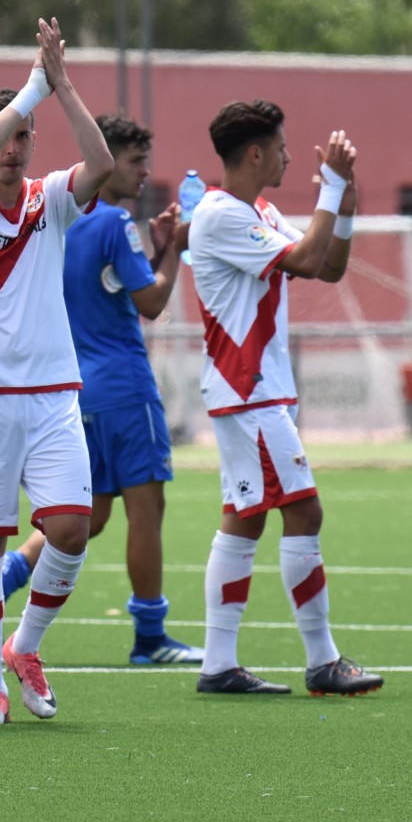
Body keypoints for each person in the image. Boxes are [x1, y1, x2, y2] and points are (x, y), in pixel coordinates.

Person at [0, 19, 113, 725]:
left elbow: (97, 165)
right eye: (3, 135)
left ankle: (24, 648)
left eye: (23, 137)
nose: (12, 148)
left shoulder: (50, 200)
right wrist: (28, 91)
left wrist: (60, 87)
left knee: (72, 526)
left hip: (50, 395)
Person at [187, 101, 383, 697]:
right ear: (255, 154)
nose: (289, 157)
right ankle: (323, 660)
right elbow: (301, 258)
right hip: (250, 391)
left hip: (253, 391)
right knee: (305, 511)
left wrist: (342, 209)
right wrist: (331, 188)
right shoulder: (219, 214)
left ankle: (218, 664)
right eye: (281, 147)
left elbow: (326, 267)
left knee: (244, 520)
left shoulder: (258, 211)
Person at [0, 115, 203, 665]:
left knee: (91, 514)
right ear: (107, 161)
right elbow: (151, 304)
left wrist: (156, 252)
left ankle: (6, 575)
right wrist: (176, 248)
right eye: (135, 161)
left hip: (75, 388)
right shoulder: (116, 222)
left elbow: (117, 287)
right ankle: (150, 637)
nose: (144, 173)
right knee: (147, 508)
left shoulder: (57, 217)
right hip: (124, 388)